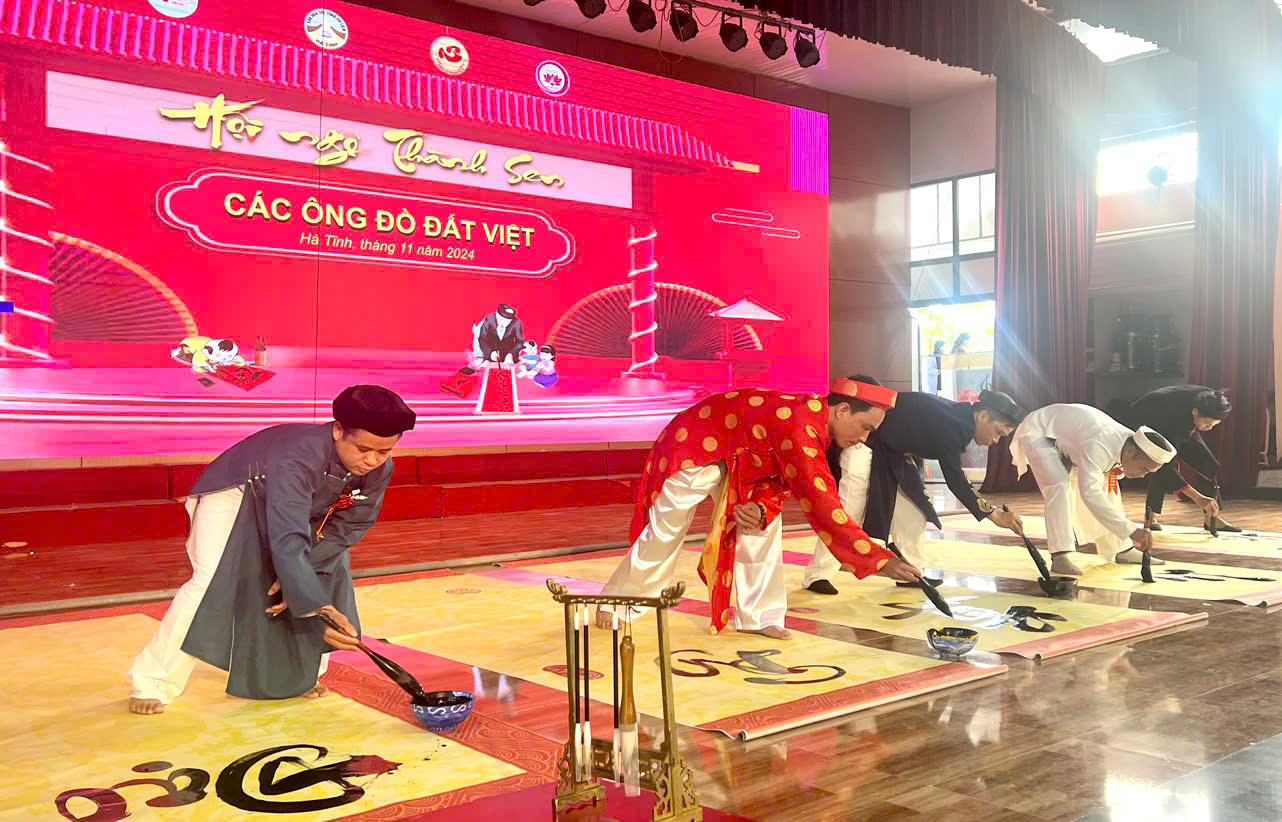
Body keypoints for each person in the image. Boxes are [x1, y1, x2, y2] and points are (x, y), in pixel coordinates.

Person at [127, 385, 416, 715]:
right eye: (363, 449)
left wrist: (306, 583)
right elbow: (287, 537)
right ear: (338, 430)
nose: (372, 461)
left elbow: (350, 525)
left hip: (297, 508)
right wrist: (313, 603)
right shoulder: (298, 455)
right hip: (236, 495)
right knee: (209, 585)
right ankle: (152, 681)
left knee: (323, 577)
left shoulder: (379, 468)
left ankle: (300, 676)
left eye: (384, 452)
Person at [594, 378, 924, 639]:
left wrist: (761, 509)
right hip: (695, 444)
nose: (864, 438)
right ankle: (620, 602)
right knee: (667, 528)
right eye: (865, 427)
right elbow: (822, 504)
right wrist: (879, 559)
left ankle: (761, 616)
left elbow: (777, 475)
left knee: (760, 525)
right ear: (842, 411)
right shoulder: (801, 426)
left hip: (744, 462)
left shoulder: (812, 425)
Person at [804, 386, 1027, 594]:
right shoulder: (954, 424)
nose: (995, 440)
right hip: (865, 445)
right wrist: (994, 515)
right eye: (998, 432)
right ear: (983, 416)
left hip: (894, 454)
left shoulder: (958, 419)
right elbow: (956, 479)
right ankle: (818, 575)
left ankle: (911, 573)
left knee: (914, 512)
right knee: (849, 510)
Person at [1010, 403, 1176, 576]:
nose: (1143, 476)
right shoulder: (1100, 445)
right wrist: (1132, 530)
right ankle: (1059, 555)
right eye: (1144, 470)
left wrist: (1128, 532)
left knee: (1109, 487)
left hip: (1066, 435)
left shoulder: (1128, 443)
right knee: (1059, 485)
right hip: (1039, 431)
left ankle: (1122, 549)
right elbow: (1090, 493)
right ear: (1130, 453)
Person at [1130, 386, 1236, 532]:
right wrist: (1198, 498)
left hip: (1183, 420)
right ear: (1195, 412)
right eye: (1207, 424)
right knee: (1163, 465)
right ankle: (1150, 517)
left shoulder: (1210, 400)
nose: (1209, 428)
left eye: (1213, 425)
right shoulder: (1175, 421)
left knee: (1208, 463)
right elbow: (1167, 467)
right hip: (1149, 418)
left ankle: (1212, 518)